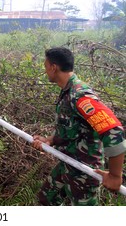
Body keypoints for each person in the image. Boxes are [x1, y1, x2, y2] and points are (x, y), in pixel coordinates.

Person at [32, 47, 126, 206]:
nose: (45, 71)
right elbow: (71, 126)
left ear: (54, 67)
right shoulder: (67, 92)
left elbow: (113, 132)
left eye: (46, 66)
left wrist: (115, 176)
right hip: (67, 163)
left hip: (84, 172)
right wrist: (51, 140)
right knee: (45, 199)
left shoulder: (80, 95)